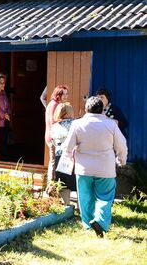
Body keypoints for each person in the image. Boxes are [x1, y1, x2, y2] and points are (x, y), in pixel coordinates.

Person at [62, 96, 127, 237]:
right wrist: (121, 160)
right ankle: (101, 223)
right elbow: (121, 145)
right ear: (102, 109)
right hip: (106, 169)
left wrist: (68, 158)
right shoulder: (111, 125)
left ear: (86, 108)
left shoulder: (77, 124)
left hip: (83, 168)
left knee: (85, 198)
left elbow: (68, 146)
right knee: (105, 197)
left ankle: (87, 225)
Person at [49, 103, 77, 204]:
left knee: (63, 182)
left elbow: (52, 141)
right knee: (78, 181)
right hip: (74, 155)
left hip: (59, 156)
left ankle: (67, 204)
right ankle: (80, 206)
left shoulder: (54, 127)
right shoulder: (76, 124)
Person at [45, 85, 69, 182]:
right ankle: (51, 184)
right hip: (53, 137)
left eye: (67, 94)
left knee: (54, 160)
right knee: (53, 161)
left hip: (53, 136)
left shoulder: (55, 103)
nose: (66, 96)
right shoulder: (54, 104)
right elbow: (53, 121)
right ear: (59, 95)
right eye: (64, 94)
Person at [0, 74, 12, 145]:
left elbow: (8, 105)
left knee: (4, 141)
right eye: (1, 83)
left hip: (5, 122)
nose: (3, 85)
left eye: (4, 83)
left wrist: (8, 113)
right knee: (0, 142)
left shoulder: (3, 93)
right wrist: (4, 115)